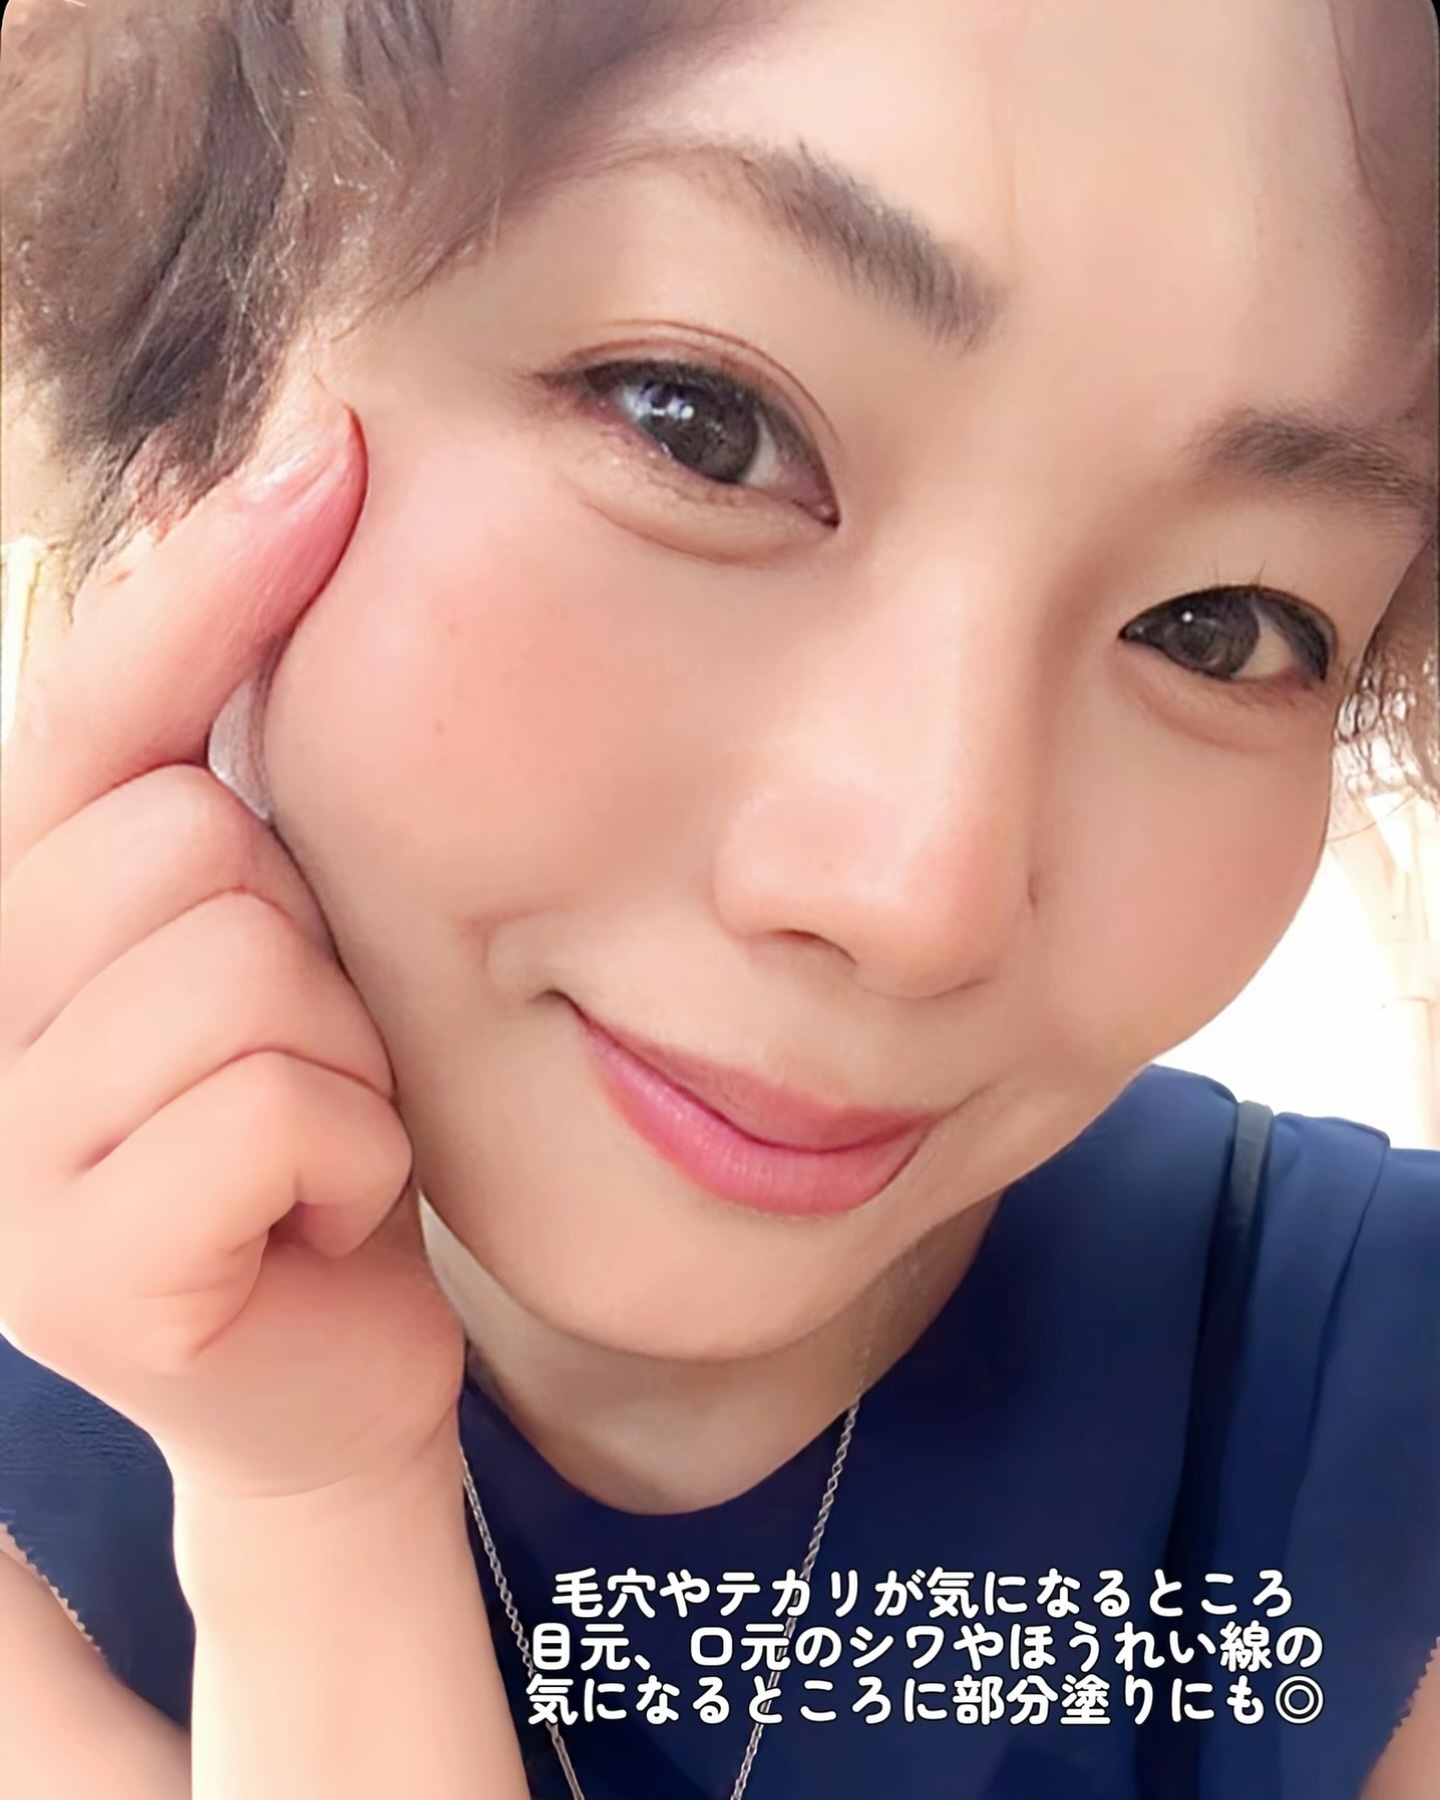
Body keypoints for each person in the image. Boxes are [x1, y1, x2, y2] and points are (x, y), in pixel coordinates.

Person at [0, 1, 1436, 1795]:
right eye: (703, 427)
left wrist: (328, 1538)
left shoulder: (1384, 1431)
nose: (921, 896)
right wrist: (305, 1505)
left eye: (1220, 628)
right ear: (188, 395)